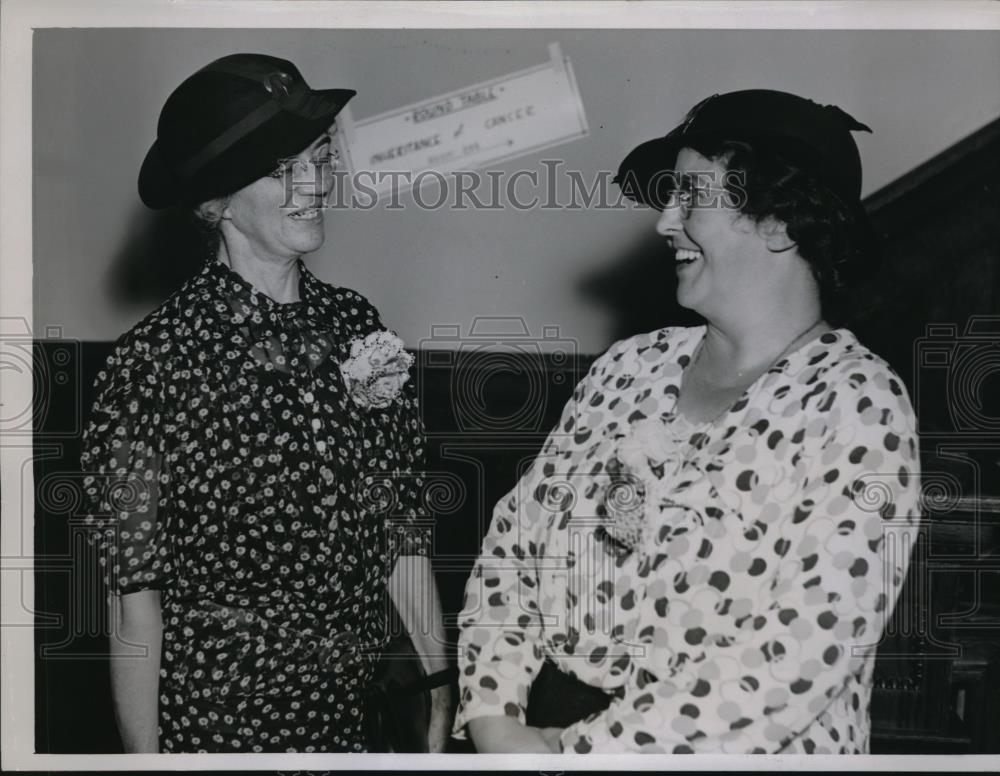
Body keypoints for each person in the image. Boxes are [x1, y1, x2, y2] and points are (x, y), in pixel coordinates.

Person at [452, 89, 921, 754]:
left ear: (780, 222)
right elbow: (514, 549)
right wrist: (495, 718)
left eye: (691, 195)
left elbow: (798, 657)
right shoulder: (628, 368)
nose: (664, 221)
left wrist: (581, 755)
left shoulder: (857, 407)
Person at [81, 53, 450, 753]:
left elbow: (402, 526)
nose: (312, 183)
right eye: (280, 170)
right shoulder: (150, 366)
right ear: (215, 202)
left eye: (316, 155)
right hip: (222, 727)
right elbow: (134, 600)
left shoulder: (356, 325)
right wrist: (144, 766)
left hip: (364, 715)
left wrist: (437, 679)